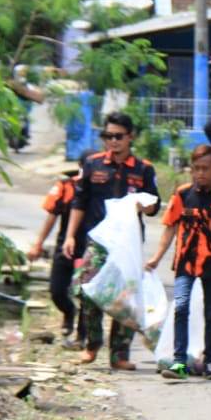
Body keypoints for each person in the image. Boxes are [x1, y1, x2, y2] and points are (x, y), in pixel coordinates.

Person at [62, 112, 160, 370]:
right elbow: (79, 202)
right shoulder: (93, 165)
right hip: (98, 242)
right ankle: (92, 344)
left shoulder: (144, 169)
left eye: (118, 136)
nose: (113, 141)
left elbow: (154, 205)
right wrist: (71, 235)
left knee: (124, 297)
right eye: (108, 136)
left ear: (130, 137)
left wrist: (143, 206)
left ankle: (120, 353)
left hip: (128, 245)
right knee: (87, 291)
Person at [145, 145, 211, 380]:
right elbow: (170, 228)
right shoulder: (183, 194)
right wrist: (156, 258)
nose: (200, 174)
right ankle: (179, 362)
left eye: (205, 169)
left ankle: (208, 362)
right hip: (185, 263)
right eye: (196, 169)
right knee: (181, 307)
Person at [28, 166, 84, 347]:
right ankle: (69, 312)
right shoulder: (66, 186)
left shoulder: (104, 188)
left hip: (91, 249)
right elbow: (51, 216)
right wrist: (38, 244)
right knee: (57, 291)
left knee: (87, 296)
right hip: (65, 246)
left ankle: (82, 337)